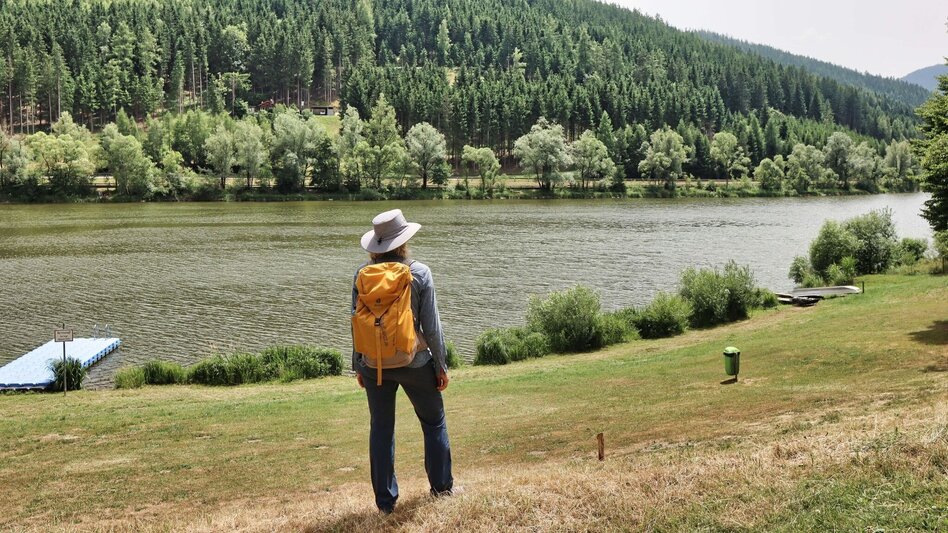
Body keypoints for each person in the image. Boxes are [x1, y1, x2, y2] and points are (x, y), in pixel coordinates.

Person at [352, 208, 454, 514]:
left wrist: (358, 363)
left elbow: (355, 322)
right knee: (433, 422)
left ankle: (385, 503)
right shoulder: (419, 272)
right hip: (415, 362)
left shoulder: (361, 275)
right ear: (404, 241)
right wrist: (441, 366)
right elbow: (431, 327)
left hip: (374, 365)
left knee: (381, 429)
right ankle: (441, 490)